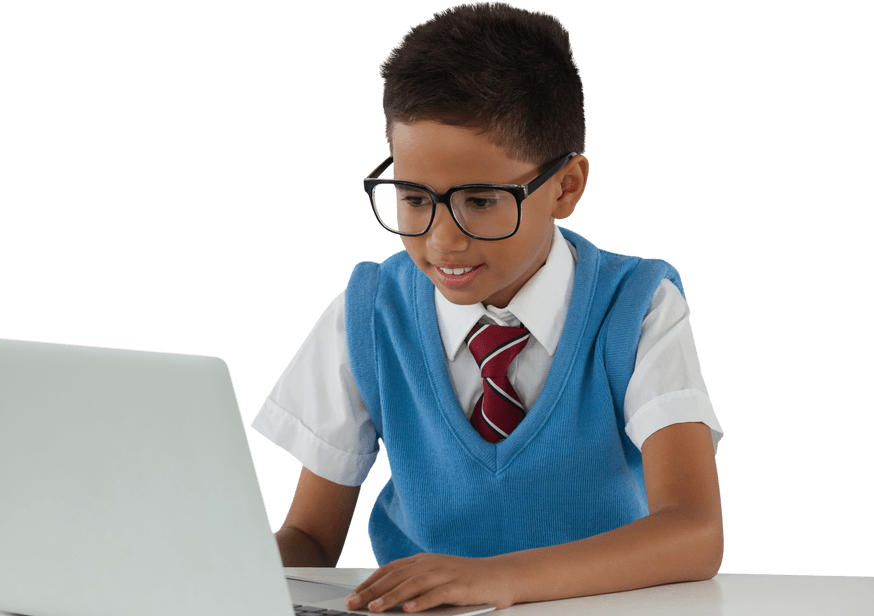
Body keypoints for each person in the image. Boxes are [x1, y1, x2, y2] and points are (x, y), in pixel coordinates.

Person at [250, 2, 725, 612]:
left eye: (480, 201)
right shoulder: (370, 313)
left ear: (566, 187)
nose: (441, 240)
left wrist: (497, 580)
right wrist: (205, 560)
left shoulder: (636, 308)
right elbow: (311, 539)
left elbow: (694, 533)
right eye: (415, 198)